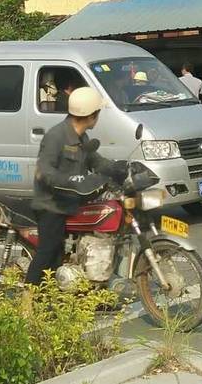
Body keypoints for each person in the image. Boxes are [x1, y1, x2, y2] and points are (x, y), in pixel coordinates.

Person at [25, 87, 128, 285]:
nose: (98, 117)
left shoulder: (82, 137)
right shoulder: (57, 136)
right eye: (97, 113)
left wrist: (119, 168)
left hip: (73, 202)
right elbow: (43, 171)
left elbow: (96, 162)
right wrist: (69, 181)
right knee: (49, 252)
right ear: (91, 116)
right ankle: (27, 300)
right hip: (51, 205)